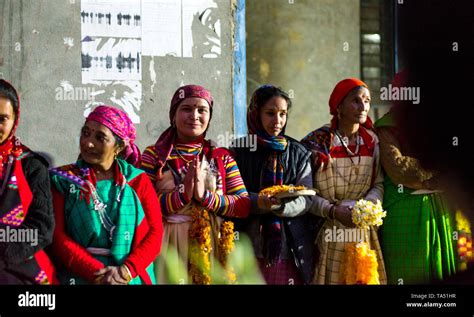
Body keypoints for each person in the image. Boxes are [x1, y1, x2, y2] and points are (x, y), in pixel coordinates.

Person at [141, 85, 250, 284]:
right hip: (168, 247)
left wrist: (206, 197)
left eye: (202, 110)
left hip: (213, 248)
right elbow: (142, 206)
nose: (194, 115)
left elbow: (243, 205)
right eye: (186, 109)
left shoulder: (221, 157)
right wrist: (182, 195)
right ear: (173, 115)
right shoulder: (154, 156)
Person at [49, 105, 163, 285]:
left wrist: (126, 271)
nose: (88, 143)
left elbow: (155, 234)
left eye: (100, 137)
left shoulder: (137, 181)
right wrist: (99, 274)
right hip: (80, 275)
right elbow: (57, 237)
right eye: (85, 133)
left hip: (128, 277)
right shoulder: (64, 180)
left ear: (119, 146)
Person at [301, 78, 386, 284]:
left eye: (366, 100)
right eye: (356, 101)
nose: (363, 106)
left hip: (363, 233)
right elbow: (305, 192)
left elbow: (378, 184)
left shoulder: (372, 141)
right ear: (339, 106)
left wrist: (368, 208)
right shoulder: (317, 143)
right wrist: (333, 211)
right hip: (329, 232)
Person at [375, 72, 457, 284]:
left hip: (439, 209)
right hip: (404, 210)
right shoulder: (386, 126)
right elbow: (400, 170)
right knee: (409, 272)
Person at [231, 85, 316, 285]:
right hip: (247, 247)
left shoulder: (299, 152)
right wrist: (258, 202)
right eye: (270, 113)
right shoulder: (239, 151)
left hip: (288, 250)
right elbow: (231, 194)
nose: (277, 121)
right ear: (256, 113)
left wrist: (280, 205)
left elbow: (307, 197)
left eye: (283, 114)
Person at [0, 79, 57, 284]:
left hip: (20, 273)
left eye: (2, 119)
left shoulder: (31, 166)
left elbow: (43, 228)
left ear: (15, 119)